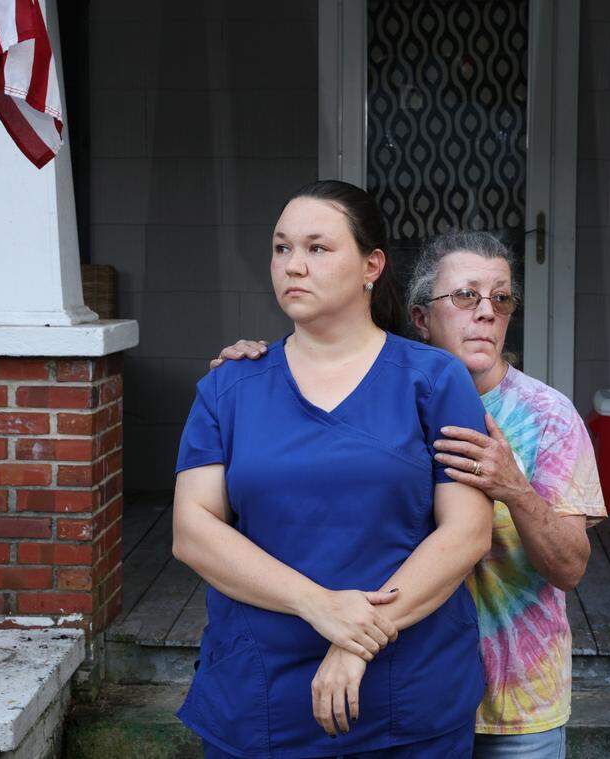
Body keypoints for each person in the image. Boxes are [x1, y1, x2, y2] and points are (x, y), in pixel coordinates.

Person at [214, 230, 607, 758]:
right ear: (422, 318)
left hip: (512, 701)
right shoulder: (381, 396)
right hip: (397, 687)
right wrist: (254, 371)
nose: (487, 312)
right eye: (466, 296)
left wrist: (513, 487)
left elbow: (569, 568)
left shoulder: (548, 416)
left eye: (501, 298)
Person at [173, 180, 494, 758]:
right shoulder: (230, 386)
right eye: (281, 248)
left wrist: (355, 638)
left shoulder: (433, 380)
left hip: (407, 694)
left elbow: (467, 530)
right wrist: (319, 604)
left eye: (318, 249)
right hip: (262, 694)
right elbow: (192, 531)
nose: (293, 266)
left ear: (372, 265)